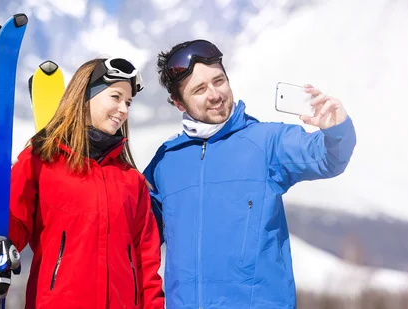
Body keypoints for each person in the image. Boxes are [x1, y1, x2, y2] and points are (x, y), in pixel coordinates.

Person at [143, 40, 357, 309]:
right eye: (199, 89)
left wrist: (336, 129)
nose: (214, 94)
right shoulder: (165, 162)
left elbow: (329, 158)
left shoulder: (266, 142)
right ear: (178, 103)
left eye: (218, 81)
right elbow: (134, 231)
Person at [0, 57, 164, 309]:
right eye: (116, 97)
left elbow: (146, 263)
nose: (124, 110)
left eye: (128, 102)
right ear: (84, 96)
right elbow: (11, 233)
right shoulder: (41, 161)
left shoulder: (132, 181)